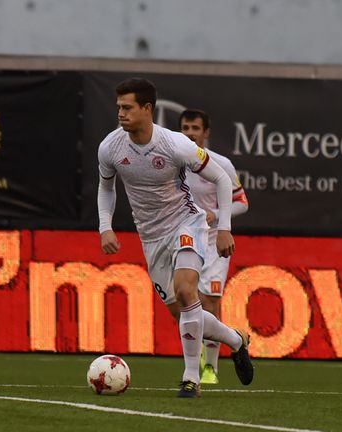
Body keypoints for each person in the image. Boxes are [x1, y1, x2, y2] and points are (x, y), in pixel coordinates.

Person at [96, 78, 253, 398]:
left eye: (127, 108)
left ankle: (191, 378)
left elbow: (222, 179)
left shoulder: (175, 144)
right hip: (151, 238)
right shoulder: (110, 147)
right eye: (118, 108)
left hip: (187, 224)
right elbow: (106, 187)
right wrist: (105, 226)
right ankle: (236, 341)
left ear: (147, 109)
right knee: (184, 312)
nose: (121, 114)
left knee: (185, 291)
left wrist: (224, 229)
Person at [179, 109, 248, 385]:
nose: (190, 133)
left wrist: (217, 217)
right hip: (185, 238)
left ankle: (210, 368)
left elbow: (242, 202)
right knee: (186, 299)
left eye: (195, 128)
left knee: (210, 301)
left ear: (206, 132)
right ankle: (196, 361)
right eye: (185, 127)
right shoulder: (174, 163)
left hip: (213, 240)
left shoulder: (221, 165)